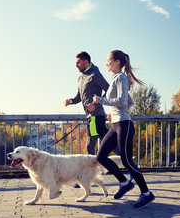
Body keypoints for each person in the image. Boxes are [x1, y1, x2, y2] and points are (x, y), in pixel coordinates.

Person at [93, 50, 155, 209]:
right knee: (101, 156)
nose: (106, 63)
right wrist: (113, 113)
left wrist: (101, 100)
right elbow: (129, 102)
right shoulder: (117, 78)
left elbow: (121, 100)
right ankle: (125, 182)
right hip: (116, 124)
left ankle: (146, 193)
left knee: (127, 161)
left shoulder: (120, 77)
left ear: (117, 62)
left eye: (108, 60)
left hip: (124, 125)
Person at [64, 51, 120, 155]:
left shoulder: (95, 75)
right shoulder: (81, 78)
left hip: (95, 117)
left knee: (90, 147)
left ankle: (94, 171)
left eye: (78, 63)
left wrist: (95, 105)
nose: (76, 65)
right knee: (109, 144)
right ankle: (130, 162)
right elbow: (78, 97)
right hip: (93, 117)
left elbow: (109, 90)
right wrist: (70, 101)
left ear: (86, 62)